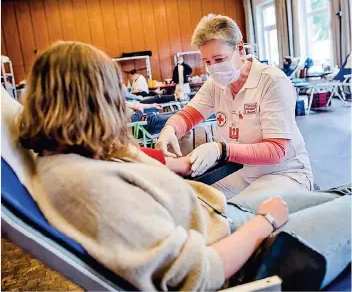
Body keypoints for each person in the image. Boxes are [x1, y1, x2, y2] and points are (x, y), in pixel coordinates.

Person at [16, 41, 350, 291]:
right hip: (251, 254)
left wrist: (184, 159)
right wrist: (264, 221)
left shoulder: (74, 155)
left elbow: (129, 159)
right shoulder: (84, 187)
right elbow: (202, 271)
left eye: (219, 58)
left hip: (222, 218)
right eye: (116, 93)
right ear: (96, 100)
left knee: (344, 192)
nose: (125, 105)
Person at [156, 14, 313, 199]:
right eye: (207, 61)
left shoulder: (272, 82)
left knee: (235, 214)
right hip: (244, 172)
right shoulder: (215, 84)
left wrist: (221, 150)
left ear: (239, 48)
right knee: (193, 198)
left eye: (219, 59)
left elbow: (276, 150)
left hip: (285, 173)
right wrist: (170, 129)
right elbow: (188, 116)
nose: (213, 67)